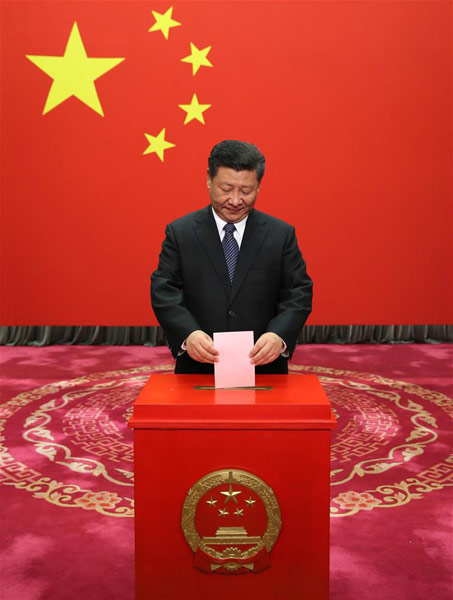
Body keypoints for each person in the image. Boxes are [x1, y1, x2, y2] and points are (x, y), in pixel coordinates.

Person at [151, 140, 313, 374]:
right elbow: (164, 290)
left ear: (259, 186)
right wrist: (189, 333)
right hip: (198, 365)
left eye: (246, 191)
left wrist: (278, 336)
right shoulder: (181, 233)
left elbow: (298, 292)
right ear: (208, 179)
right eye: (226, 189)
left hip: (264, 365)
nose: (236, 201)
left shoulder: (280, 235)